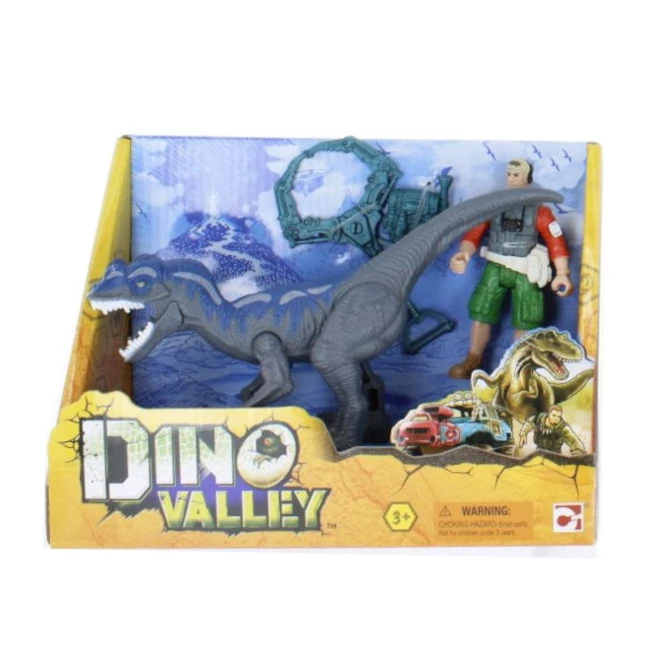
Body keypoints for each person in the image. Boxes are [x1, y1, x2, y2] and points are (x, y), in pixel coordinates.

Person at [448, 159, 574, 379]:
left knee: (526, 319)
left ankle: (517, 367)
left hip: (525, 271)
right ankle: (472, 360)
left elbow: (556, 242)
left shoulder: (541, 212)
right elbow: (474, 233)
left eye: (516, 174)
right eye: (509, 173)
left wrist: (562, 273)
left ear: (528, 178)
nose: (510, 178)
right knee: (481, 313)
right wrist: (463, 253)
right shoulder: (493, 207)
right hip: (495, 266)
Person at [518, 404, 586, 456]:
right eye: (554, 415)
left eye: (558, 416)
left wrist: (578, 456)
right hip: (539, 453)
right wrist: (523, 433)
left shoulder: (562, 427)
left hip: (555, 456)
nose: (556, 418)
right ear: (548, 414)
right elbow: (529, 423)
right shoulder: (538, 418)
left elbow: (576, 443)